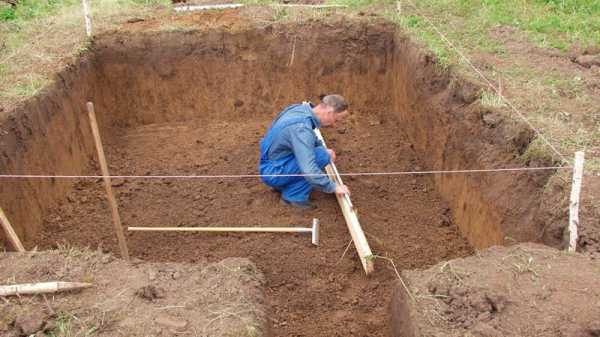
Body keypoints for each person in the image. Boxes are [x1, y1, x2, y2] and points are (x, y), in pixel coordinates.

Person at [259, 94, 351, 210]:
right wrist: (333, 187)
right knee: (320, 156)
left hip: (271, 165)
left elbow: (308, 137)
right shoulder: (301, 128)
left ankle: (284, 184)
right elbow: (308, 169)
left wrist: (320, 146)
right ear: (329, 112)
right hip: (273, 172)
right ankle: (293, 197)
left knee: (321, 153)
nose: (334, 125)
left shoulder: (299, 110)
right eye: (336, 120)